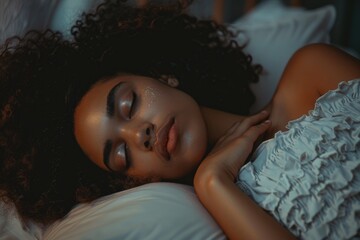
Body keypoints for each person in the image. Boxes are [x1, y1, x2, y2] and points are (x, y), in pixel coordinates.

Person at [0, 0, 359, 239]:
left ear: (161, 74)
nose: (139, 133)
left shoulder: (311, 72)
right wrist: (212, 183)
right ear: (132, 183)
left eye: (129, 103)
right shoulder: (221, 213)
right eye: (121, 155)